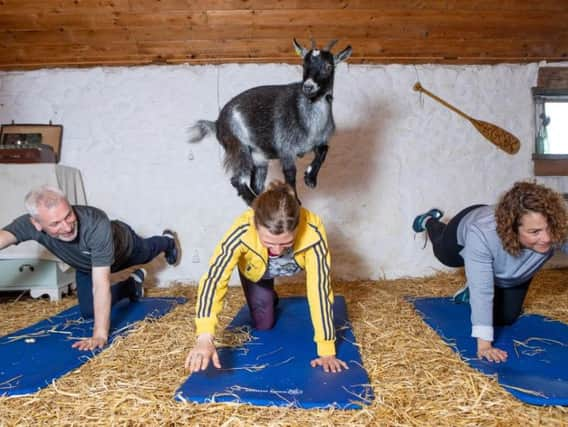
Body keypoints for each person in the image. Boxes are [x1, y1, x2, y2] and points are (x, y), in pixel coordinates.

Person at [185, 181, 348, 374]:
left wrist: (326, 350)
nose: (278, 251)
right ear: (255, 225)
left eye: (286, 243)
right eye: (269, 243)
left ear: (298, 228)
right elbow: (214, 279)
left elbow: (319, 289)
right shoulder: (242, 229)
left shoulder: (312, 230)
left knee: (308, 292)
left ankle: (269, 293)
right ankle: (268, 295)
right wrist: (204, 337)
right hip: (256, 272)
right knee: (264, 324)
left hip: (289, 268)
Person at [0, 185, 180, 351]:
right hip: (87, 266)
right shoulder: (28, 225)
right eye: (55, 224)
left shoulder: (95, 223)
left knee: (148, 251)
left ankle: (168, 241)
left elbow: (101, 284)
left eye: (68, 215)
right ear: (37, 224)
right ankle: (133, 283)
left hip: (125, 248)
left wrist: (100, 335)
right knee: (89, 312)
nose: (67, 227)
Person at [412, 181, 568, 363]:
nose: (547, 238)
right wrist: (484, 345)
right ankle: (430, 222)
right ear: (512, 229)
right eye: (534, 232)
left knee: (505, 318)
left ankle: (474, 279)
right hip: (466, 225)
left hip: (511, 274)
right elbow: (483, 291)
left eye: (549, 228)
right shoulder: (482, 233)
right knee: (444, 255)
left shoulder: (557, 227)